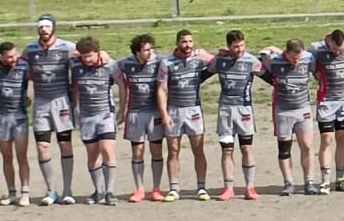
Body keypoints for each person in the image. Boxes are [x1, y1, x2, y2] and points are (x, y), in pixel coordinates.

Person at [209, 29, 270, 201]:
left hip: (244, 111)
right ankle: (228, 188)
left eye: (242, 45)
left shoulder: (251, 61)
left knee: (246, 147)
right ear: (229, 46)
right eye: (236, 47)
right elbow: (201, 74)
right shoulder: (219, 61)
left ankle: (250, 187)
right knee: (227, 150)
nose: (240, 49)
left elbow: (271, 78)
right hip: (225, 111)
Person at [24, 15, 77, 205]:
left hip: (61, 102)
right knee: (42, 147)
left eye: (47, 27)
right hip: (41, 103)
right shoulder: (30, 50)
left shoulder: (67, 47)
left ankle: (68, 189)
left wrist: (102, 54)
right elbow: (17, 64)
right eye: (41, 27)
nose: (44, 30)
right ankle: (51, 190)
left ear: (53, 28)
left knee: (65, 145)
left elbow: (88, 55)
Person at [115, 34, 169, 203]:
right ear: (137, 51)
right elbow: (110, 67)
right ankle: (139, 189)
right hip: (135, 113)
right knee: (137, 151)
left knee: (156, 150)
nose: (150, 52)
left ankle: (156, 188)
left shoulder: (160, 62)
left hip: (155, 113)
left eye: (151, 48)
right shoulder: (125, 64)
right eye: (146, 50)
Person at [260, 39, 318, 195]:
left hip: (303, 109)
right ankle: (288, 182)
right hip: (283, 110)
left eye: (299, 58)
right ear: (287, 53)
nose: (296, 61)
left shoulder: (308, 58)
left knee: (307, 145)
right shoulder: (274, 61)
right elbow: (260, 58)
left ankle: (309, 182)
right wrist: (273, 50)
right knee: (285, 148)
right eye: (293, 58)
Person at [162, 30, 214, 201]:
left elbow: (218, 64)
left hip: (194, 111)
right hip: (174, 111)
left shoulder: (198, 61)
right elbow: (162, 89)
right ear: (177, 43)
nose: (188, 45)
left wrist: (208, 56)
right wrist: (164, 113)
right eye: (184, 42)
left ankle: (201, 187)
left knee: (198, 150)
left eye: (191, 41)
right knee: (173, 151)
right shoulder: (167, 63)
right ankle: (174, 189)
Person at [71, 37, 119, 205]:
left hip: (105, 113)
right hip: (87, 115)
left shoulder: (109, 65)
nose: (87, 60)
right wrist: (76, 111)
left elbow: (123, 84)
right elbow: (75, 88)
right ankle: (98, 191)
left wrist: (123, 110)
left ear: (97, 53)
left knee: (107, 149)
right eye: (84, 56)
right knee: (92, 154)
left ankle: (110, 192)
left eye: (90, 56)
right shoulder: (76, 65)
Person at [312, 30, 344, 191]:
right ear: (329, 42)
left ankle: (341, 178)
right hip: (326, 101)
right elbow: (300, 56)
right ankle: (325, 180)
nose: (337, 53)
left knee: (342, 137)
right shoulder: (316, 49)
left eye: (340, 50)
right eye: (334, 49)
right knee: (327, 139)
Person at [0, 43, 30, 205]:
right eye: (8, 57)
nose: (13, 59)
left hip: (19, 116)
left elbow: (35, 79)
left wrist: (29, 97)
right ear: (1, 57)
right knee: (7, 156)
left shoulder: (24, 66)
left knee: (22, 156)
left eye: (14, 55)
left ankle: (25, 192)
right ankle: (11, 192)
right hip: (2, 116)